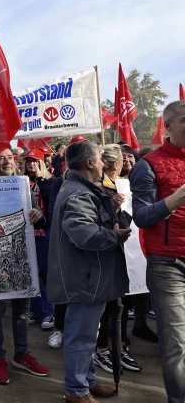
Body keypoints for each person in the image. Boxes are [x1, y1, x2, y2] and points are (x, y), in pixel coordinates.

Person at [47, 140, 131, 402]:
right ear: (89, 163)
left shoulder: (86, 187)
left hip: (90, 275)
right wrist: (113, 235)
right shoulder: (79, 193)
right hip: (86, 277)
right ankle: (76, 391)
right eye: (99, 157)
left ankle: (86, 380)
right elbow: (84, 233)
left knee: (88, 334)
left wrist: (112, 204)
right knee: (81, 336)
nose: (104, 162)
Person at [129, 100, 185, 403]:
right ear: (168, 126)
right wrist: (174, 201)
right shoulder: (148, 165)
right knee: (177, 343)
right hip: (168, 265)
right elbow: (141, 216)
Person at [0, 147, 49, 385]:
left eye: (10, 157)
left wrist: (37, 214)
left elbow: (39, 216)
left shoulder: (23, 186)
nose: (6, 161)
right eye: (0, 157)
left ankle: (21, 354)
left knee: (22, 311)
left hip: (22, 256)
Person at [92, 144, 142, 375]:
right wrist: (117, 207)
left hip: (124, 257)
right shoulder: (100, 188)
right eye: (123, 160)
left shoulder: (122, 185)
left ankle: (117, 347)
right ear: (115, 165)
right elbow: (111, 223)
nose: (126, 163)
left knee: (120, 306)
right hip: (105, 257)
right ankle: (103, 349)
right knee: (111, 306)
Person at [22, 149, 56, 331]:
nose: (31, 164)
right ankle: (36, 311)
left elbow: (52, 208)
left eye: (34, 161)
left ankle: (48, 312)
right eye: (28, 161)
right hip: (27, 234)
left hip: (45, 232)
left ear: (41, 163)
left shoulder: (51, 182)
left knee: (44, 274)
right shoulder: (21, 182)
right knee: (31, 273)